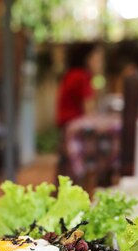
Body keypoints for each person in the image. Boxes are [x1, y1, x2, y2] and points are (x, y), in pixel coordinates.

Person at [56, 42, 103, 181]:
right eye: (98, 59)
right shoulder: (81, 77)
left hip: (66, 130)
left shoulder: (71, 74)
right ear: (88, 59)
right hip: (75, 133)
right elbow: (90, 112)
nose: (100, 63)